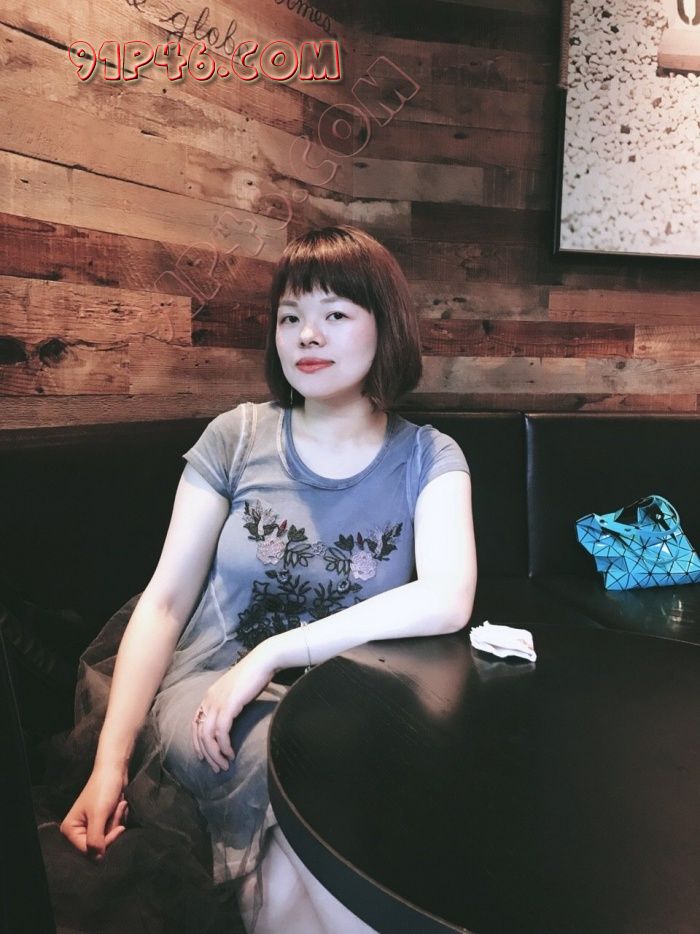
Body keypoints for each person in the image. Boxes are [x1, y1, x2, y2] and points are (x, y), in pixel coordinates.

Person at [55, 225, 477, 933]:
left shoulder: (428, 457)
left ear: (387, 326)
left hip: (351, 697)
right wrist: (109, 765)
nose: (307, 334)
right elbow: (164, 604)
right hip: (213, 693)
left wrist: (275, 653)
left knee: (293, 866)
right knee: (288, 761)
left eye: (335, 313)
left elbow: (448, 597)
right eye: (290, 317)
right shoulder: (237, 437)